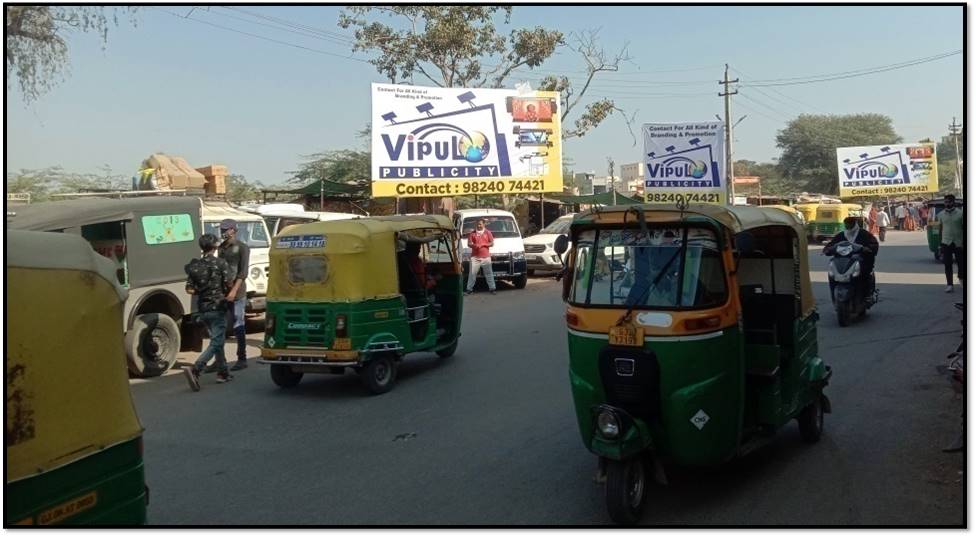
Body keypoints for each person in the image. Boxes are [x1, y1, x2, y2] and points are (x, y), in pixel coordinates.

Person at [183, 234, 235, 391]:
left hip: (203, 309)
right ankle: (196, 369)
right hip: (218, 308)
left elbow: (189, 289)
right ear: (215, 247)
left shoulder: (195, 266)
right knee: (217, 342)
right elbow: (229, 283)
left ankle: (223, 372)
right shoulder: (220, 263)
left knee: (216, 340)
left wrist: (201, 290)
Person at [217, 219, 250, 371]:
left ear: (233, 230)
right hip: (223, 292)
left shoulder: (242, 248)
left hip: (237, 292)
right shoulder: (221, 248)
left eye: (225, 229)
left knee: (238, 324)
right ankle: (219, 359)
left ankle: (242, 358)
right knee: (220, 326)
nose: (222, 232)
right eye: (221, 229)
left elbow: (243, 273)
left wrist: (233, 291)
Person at [823, 216, 880, 299]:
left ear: (854, 224)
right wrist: (827, 249)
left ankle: (867, 295)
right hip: (843, 263)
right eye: (847, 225)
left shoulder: (864, 234)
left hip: (860, 262)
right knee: (832, 276)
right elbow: (832, 244)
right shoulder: (841, 235)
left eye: (850, 224)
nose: (848, 226)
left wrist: (868, 249)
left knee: (865, 275)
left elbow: (873, 245)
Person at [937, 194, 965, 293]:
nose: (946, 204)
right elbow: (940, 229)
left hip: (958, 242)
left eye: (948, 202)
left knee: (961, 263)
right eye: (945, 202)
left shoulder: (961, 214)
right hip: (946, 242)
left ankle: (961, 279)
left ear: (953, 202)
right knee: (947, 264)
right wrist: (940, 244)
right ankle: (949, 285)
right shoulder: (940, 214)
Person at [465, 219, 496, 295]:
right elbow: (469, 244)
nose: (479, 226)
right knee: (472, 274)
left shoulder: (488, 232)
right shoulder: (472, 233)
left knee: (489, 273)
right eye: (477, 224)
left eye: (480, 224)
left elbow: (492, 243)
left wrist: (483, 244)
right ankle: (469, 290)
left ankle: (492, 289)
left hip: (486, 257)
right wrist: (474, 245)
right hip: (475, 257)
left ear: (484, 224)